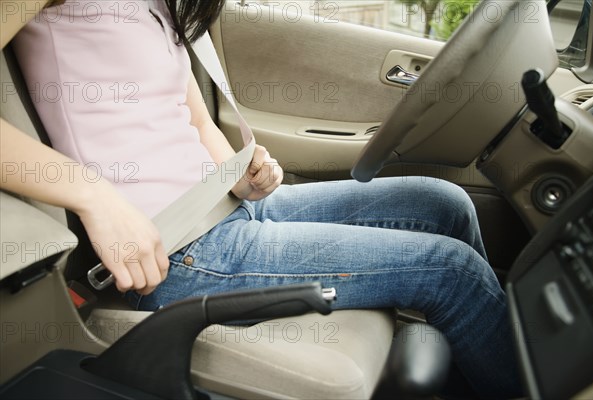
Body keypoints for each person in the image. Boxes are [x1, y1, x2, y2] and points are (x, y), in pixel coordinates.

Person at [0, 0, 522, 397]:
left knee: (444, 203)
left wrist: (239, 174)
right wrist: (95, 198)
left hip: (225, 210)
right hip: (180, 250)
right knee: (448, 271)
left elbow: (191, 118)